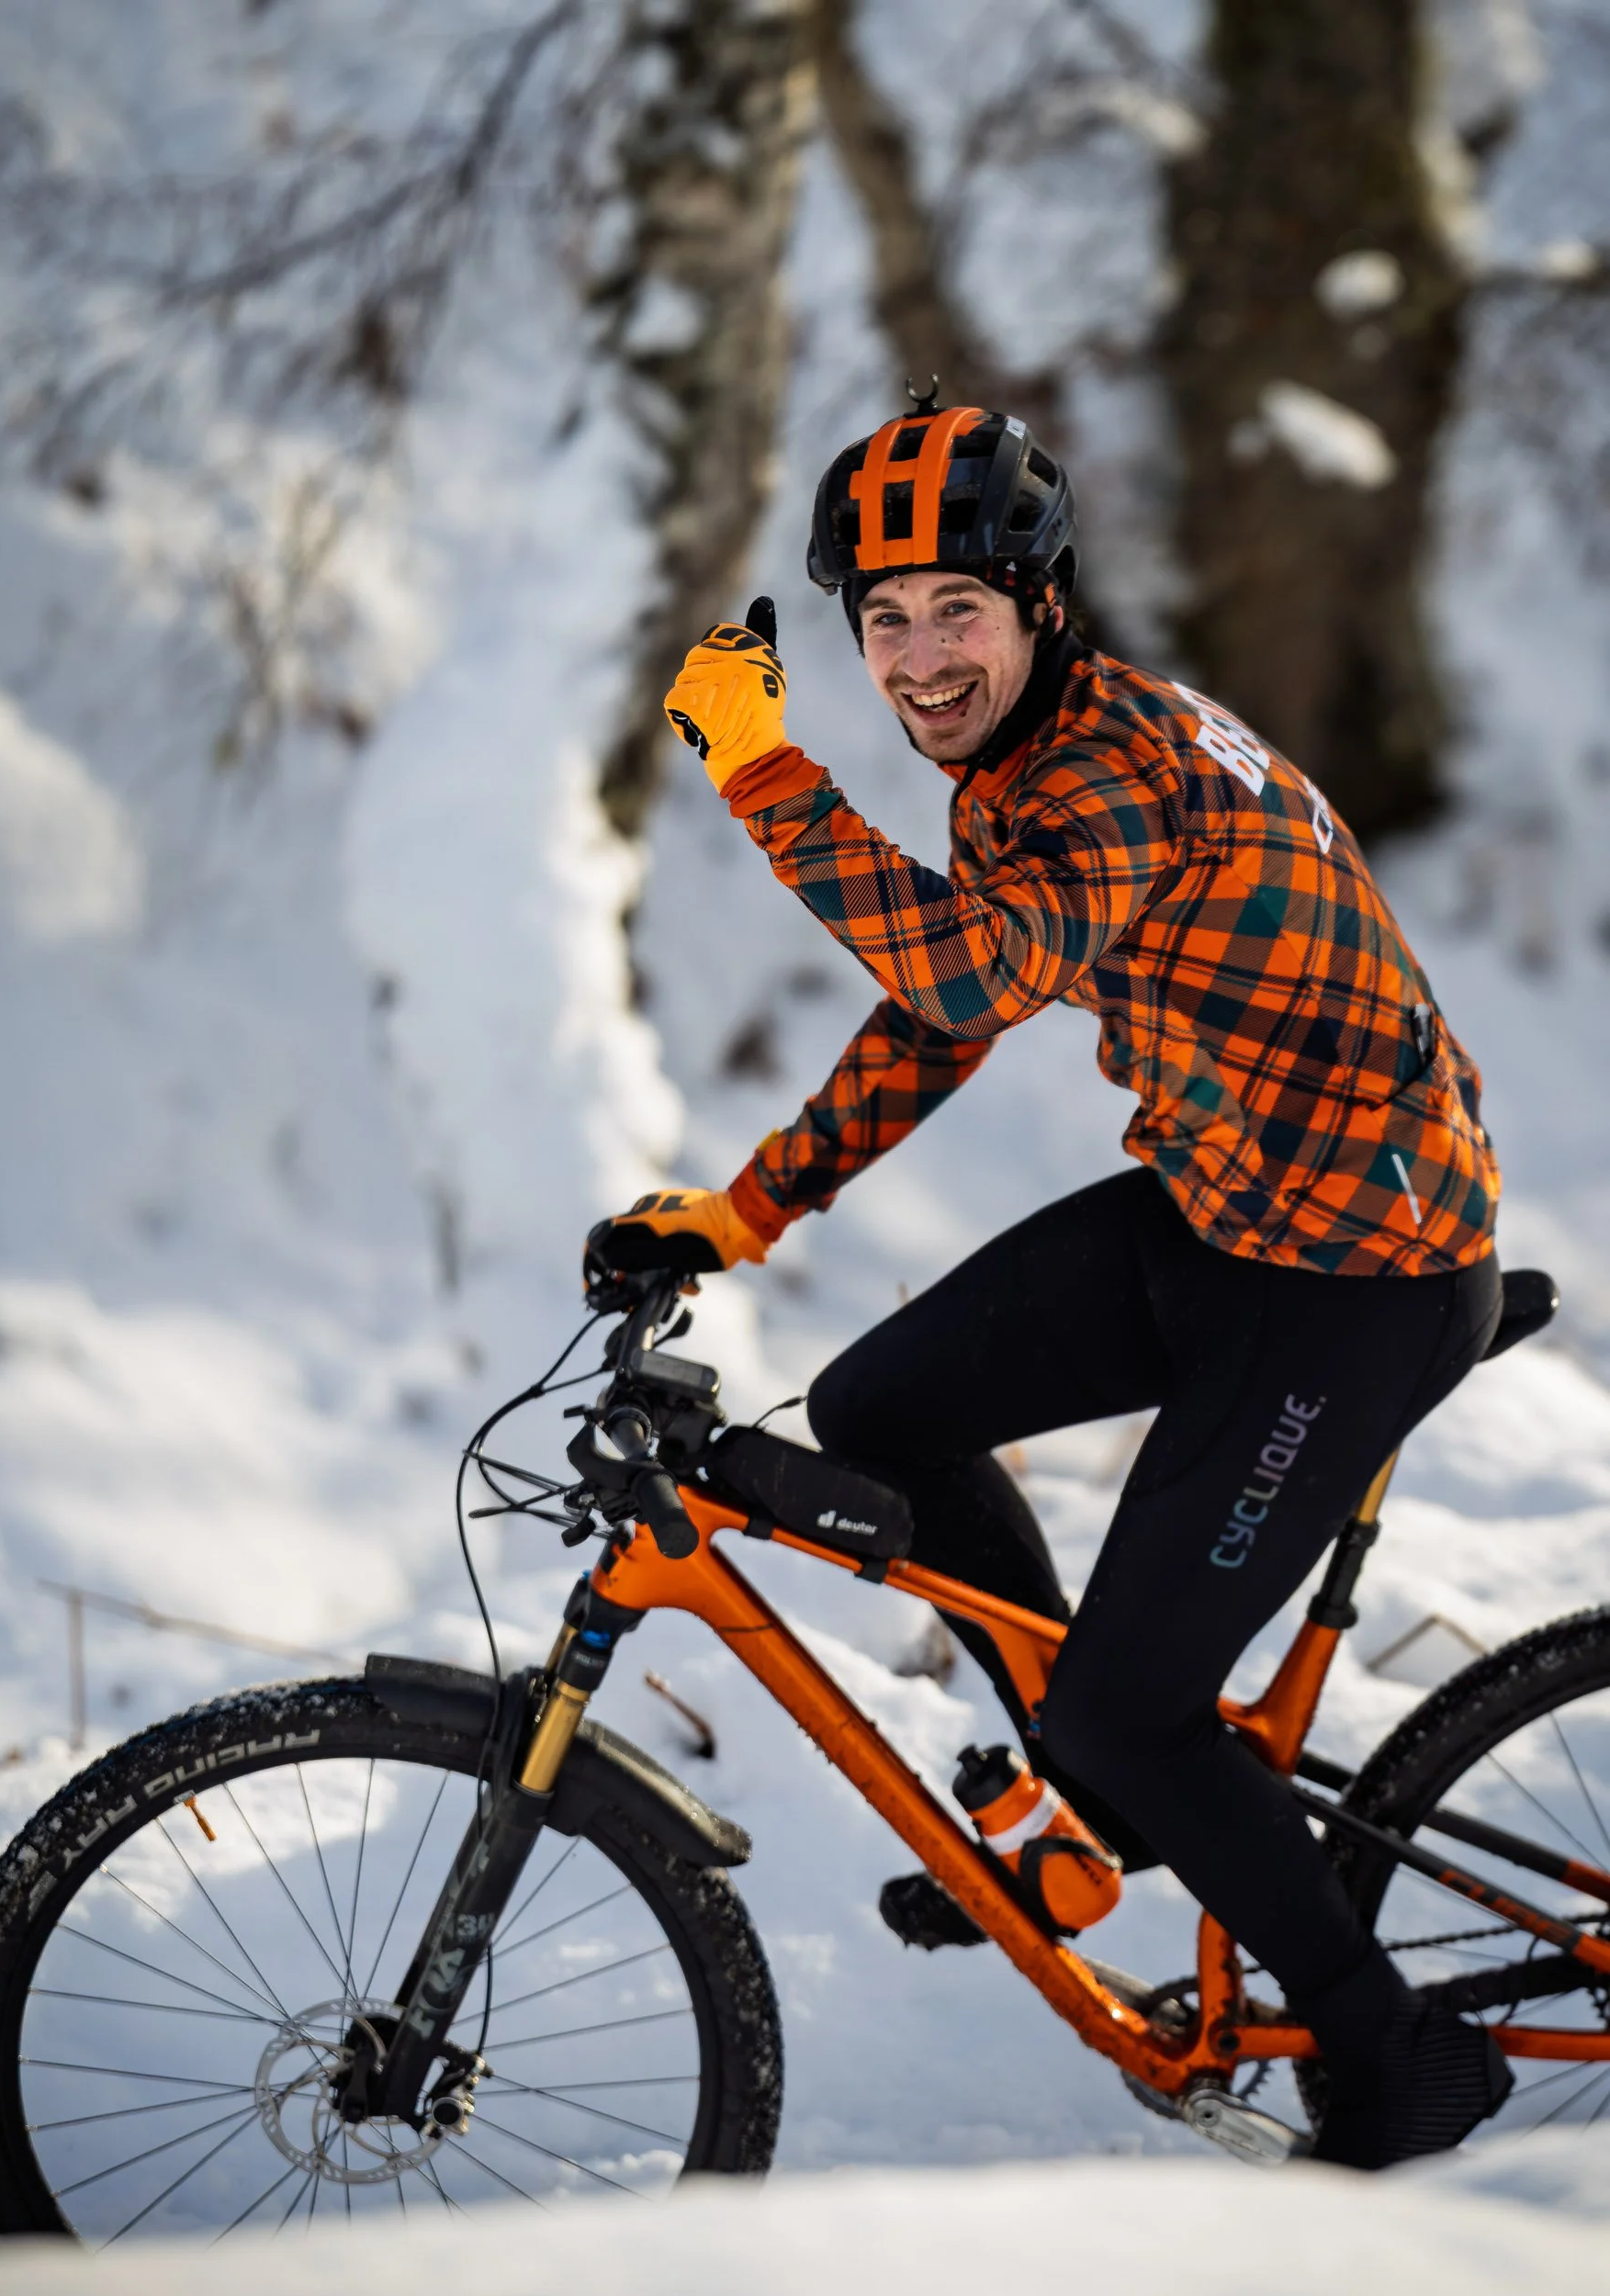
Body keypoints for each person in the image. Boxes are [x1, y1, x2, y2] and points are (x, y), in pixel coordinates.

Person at [588, 393, 1511, 2168]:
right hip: (1225, 1212)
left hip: (1359, 1276)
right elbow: (958, 1010)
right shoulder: (1020, 764)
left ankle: (1396, 2055)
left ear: (1039, 607)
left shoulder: (1107, 770)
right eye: (884, 620)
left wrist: (764, 772)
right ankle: (1104, 1800)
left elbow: (964, 968)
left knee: (1127, 1703)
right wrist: (748, 1209)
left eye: (957, 612)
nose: (921, 658)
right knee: (880, 1413)